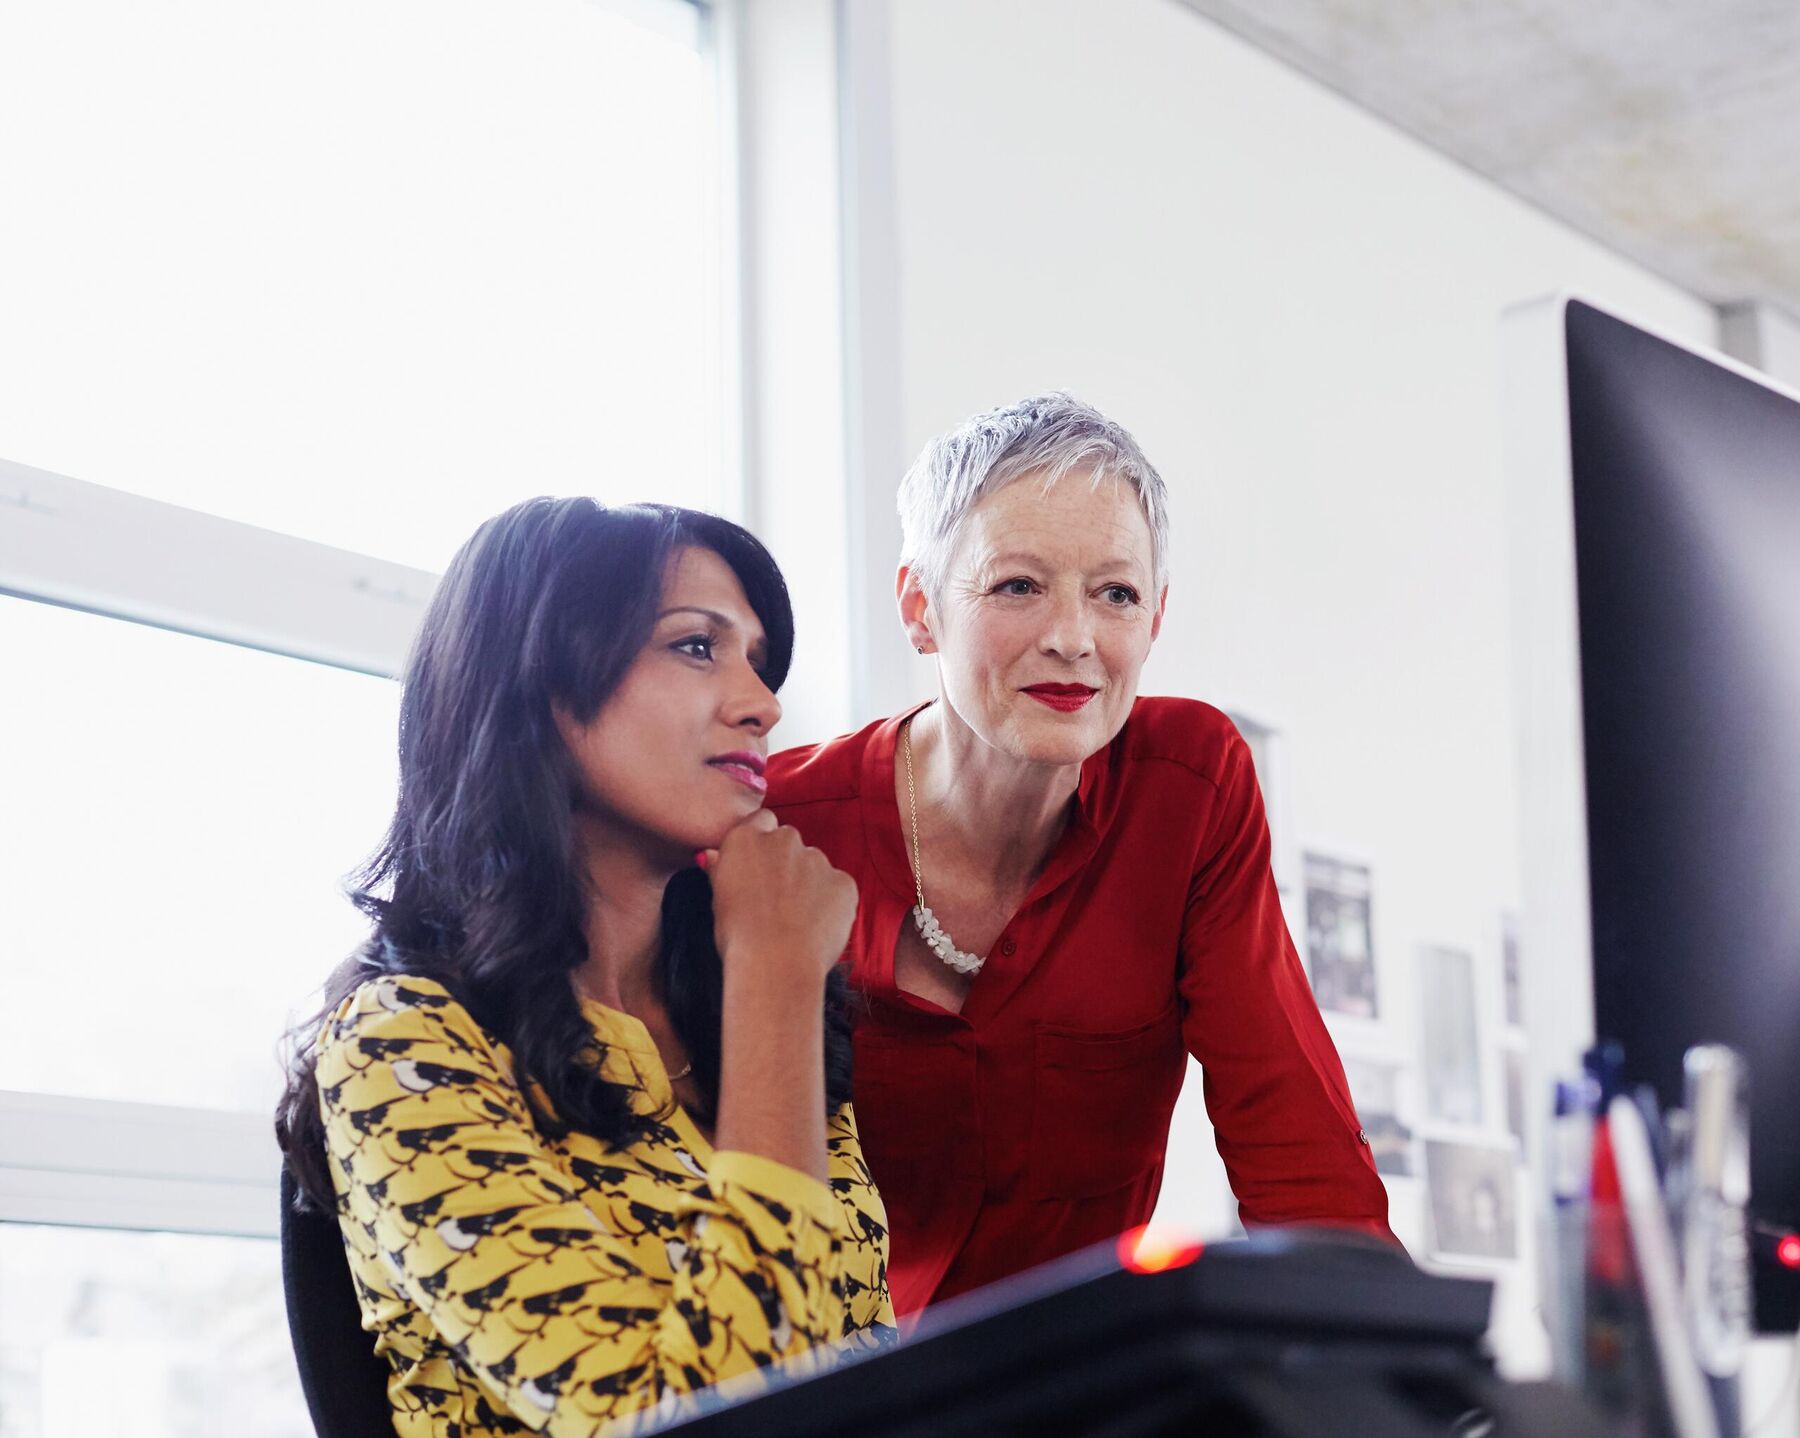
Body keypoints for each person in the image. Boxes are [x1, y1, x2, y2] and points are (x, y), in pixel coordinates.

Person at [276, 498, 893, 1438]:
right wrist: (776, 978)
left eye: (758, 662)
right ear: (542, 687)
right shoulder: (399, 1044)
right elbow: (684, 1422)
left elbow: (864, 1372)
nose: (762, 704)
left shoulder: (742, 1012)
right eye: (697, 646)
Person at [767, 394, 1393, 1319]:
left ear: (1156, 617)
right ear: (920, 608)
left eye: (1116, 594)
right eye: (1018, 586)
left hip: (1073, 1374)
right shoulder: (774, 831)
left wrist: (1377, 1357)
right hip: (826, 1378)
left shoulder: (1190, 790)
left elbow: (1293, 1134)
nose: (1073, 638)